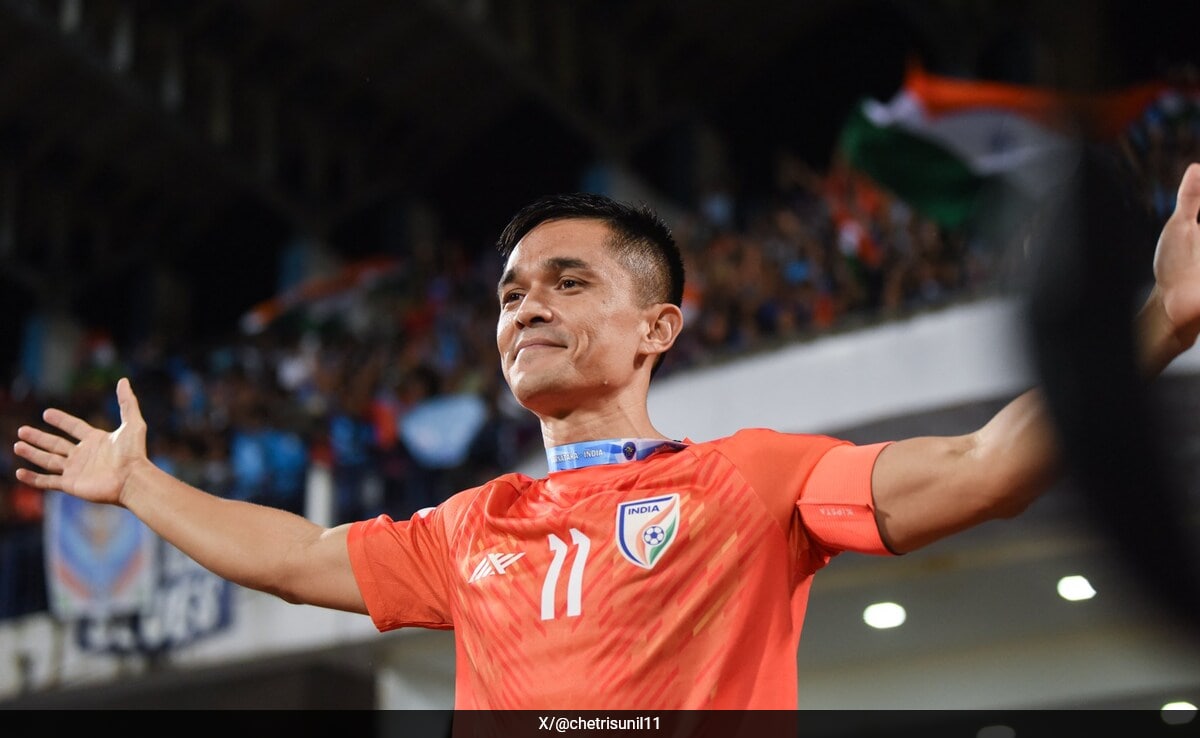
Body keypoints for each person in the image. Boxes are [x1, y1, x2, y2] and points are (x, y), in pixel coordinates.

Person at [12, 163, 1200, 711]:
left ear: (656, 327)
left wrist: (1163, 317)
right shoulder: (473, 527)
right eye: (510, 293)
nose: (526, 307)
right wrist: (139, 485)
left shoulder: (755, 478)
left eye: (568, 282)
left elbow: (989, 469)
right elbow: (296, 557)